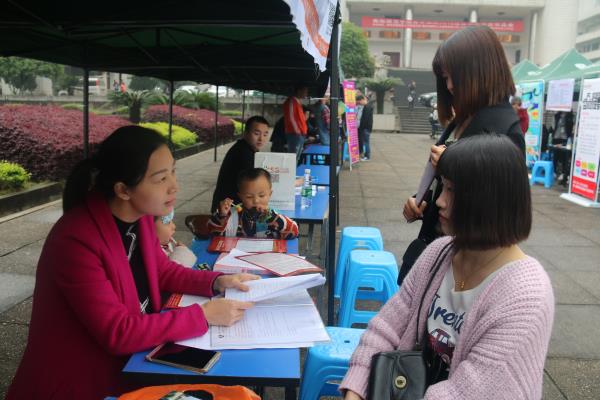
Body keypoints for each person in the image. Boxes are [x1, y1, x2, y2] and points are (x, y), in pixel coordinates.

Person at [6, 126, 258, 399]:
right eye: (161, 178)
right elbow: (118, 332)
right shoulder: (76, 240)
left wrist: (218, 281)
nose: (174, 186)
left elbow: (162, 270)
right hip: (80, 383)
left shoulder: (140, 218)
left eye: (173, 171)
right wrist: (204, 315)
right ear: (123, 190)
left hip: (134, 362)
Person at [341, 134, 554, 400]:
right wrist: (356, 387)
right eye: (442, 186)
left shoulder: (524, 297)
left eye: (452, 190)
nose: (440, 200)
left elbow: (467, 391)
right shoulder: (439, 252)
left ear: (488, 199)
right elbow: (386, 327)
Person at [400, 25, 526, 286]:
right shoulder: (462, 119)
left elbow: (500, 209)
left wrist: (449, 162)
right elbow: (444, 184)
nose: (449, 86)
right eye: (445, 77)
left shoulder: (505, 128)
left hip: (466, 265)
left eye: (453, 76)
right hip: (435, 248)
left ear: (481, 71)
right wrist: (420, 201)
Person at [208, 168, 299, 239]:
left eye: (261, 195)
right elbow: (212, 232)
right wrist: (221, 215)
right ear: (240, 196)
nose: (256, 201)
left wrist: (272, 217)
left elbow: (294, 232)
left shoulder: (274, 217)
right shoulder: (230, 214)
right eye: (249, 197)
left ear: (269, 194)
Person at [211, 115, 270, 212]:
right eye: (256, 133)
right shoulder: (243, 153)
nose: (261, 139)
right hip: (227, 209)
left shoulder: (244, 147)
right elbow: (255, 184)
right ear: (245, 133)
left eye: (265, 135)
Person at [283, 84, 308, 160]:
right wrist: (297, 131)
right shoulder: (292, 101)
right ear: (299, 91)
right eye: (305, 91)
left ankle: (294, 167)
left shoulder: (297, 102)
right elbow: (291, 117)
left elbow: (298, 119)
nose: (306, 94)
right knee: (293, 157)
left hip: (300, 133)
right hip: (295, 134)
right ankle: (292, 168)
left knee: (296, 156)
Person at [357, 95, 373, 161]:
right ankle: (367, 156)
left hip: (366, 128)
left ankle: (367, 156)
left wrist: (361, 127)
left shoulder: (367, 107)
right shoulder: (368, 106)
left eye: (359, 102)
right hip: (367, 127)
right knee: (366, 142)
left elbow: (365, 119)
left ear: (362, 100)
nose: (359, 104)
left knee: (366, 142)